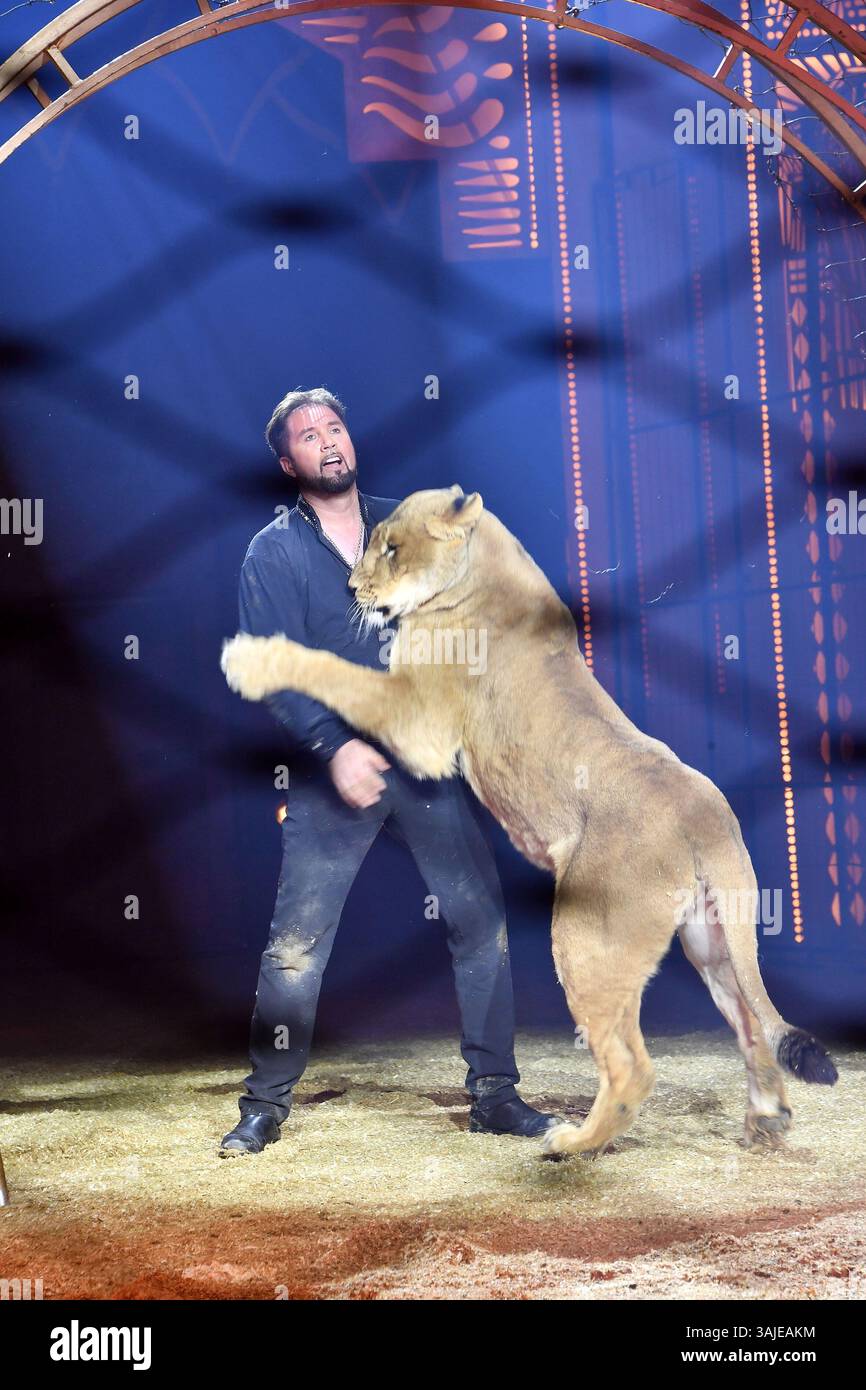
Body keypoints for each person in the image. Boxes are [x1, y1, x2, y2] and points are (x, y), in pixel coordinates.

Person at [220, 387, 558, 1154]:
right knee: (296, 949)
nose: (328, 440)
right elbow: (274, 671)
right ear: (288, 462)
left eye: (336, 425)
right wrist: (334, 746)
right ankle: (264, 1102)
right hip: (330, 770)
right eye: (309, 435)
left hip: (425, 759)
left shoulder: (407, 526)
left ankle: (495, 1095)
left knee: (482, 925)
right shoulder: (271, 553)